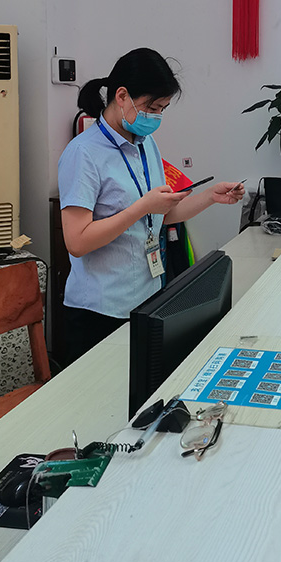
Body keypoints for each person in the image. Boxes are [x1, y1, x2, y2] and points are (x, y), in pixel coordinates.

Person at [58, 47, 245, 363]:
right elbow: (77, 241)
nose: (156, 117)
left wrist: (211, 196)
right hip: (100, 310)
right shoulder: (83, 153)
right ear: (122, 96)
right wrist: (141, 208)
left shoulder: (145, 144)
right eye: (152, 107)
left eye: (162, 109)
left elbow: (163, 214)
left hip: (147, 297)